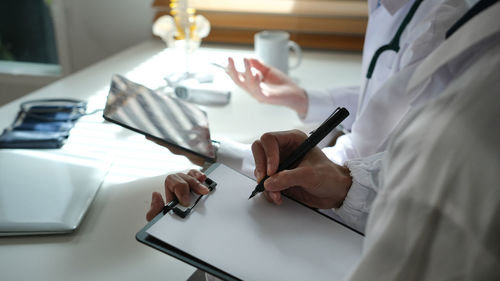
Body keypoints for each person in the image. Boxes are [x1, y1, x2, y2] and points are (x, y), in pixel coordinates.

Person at [148, 0, 500, 279]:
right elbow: (383, 97)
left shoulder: (447, 31)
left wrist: (219, 153)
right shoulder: (391, 10)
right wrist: (304, 99)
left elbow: (384, 150)